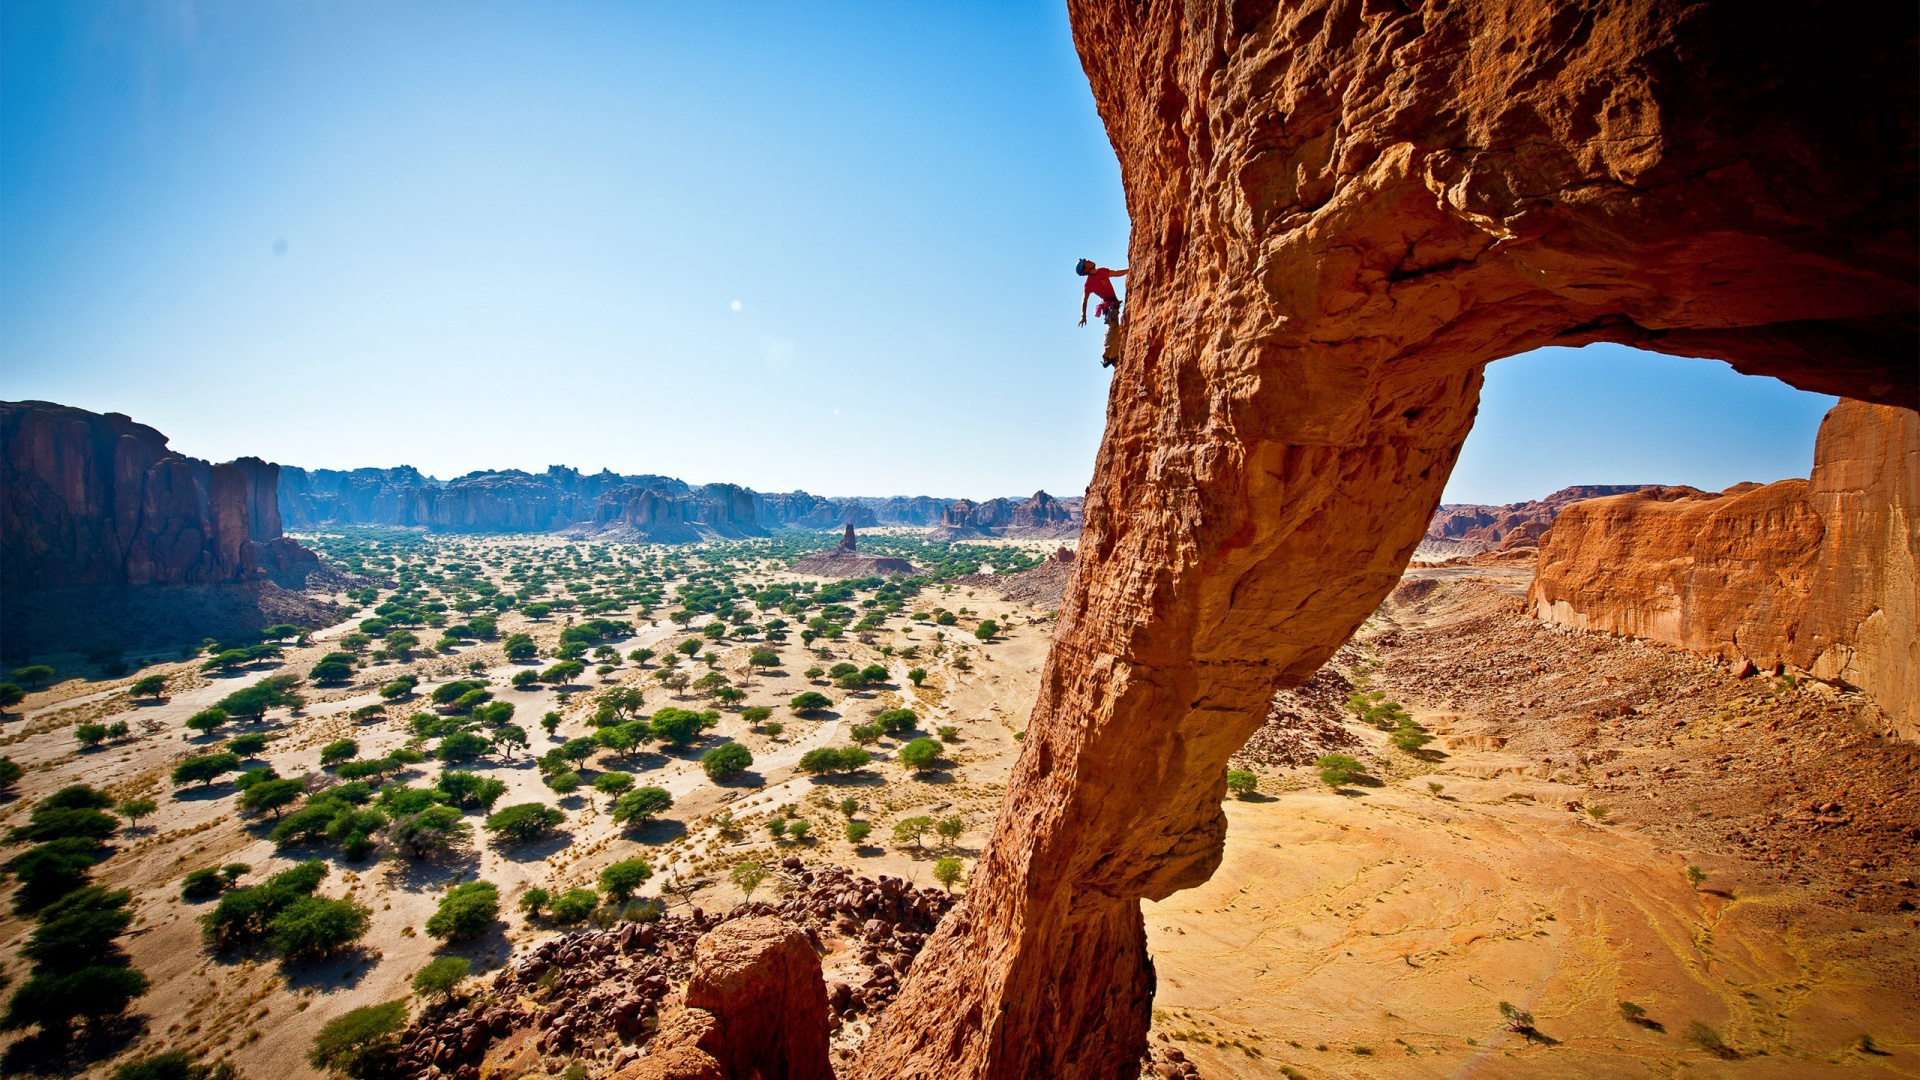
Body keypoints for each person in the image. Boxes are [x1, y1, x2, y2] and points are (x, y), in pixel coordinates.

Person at [1076, 258, 1129, 366]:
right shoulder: (1089, 283)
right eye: (1086, 262)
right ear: (1085, 269)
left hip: (1113, 304)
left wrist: (1129, 270)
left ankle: (1113, 355)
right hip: (1109, 305)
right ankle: (1106, 356)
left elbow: (1116, 273)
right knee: (1112, 327)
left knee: (1115, 328)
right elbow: (1084, 299)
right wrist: (1083, 315)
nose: (1088, 260)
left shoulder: (1102, 271)